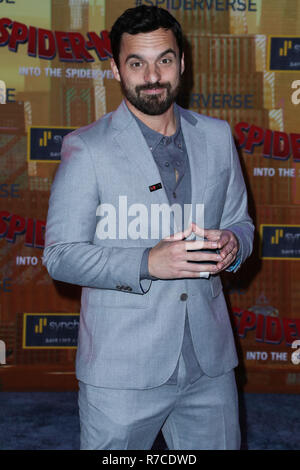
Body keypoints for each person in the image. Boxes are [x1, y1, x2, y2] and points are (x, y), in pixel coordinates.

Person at [43, 5, 254, 450]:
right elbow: (60, 255)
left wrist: (236, 241)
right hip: (122, 371)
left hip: (208, 366)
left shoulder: (217, 137)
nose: (152, 74)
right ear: (118, 70)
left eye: (164, 59)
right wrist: (148, 262)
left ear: (183, 62)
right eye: (136, 63)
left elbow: (241, 220)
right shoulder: (87, 147)